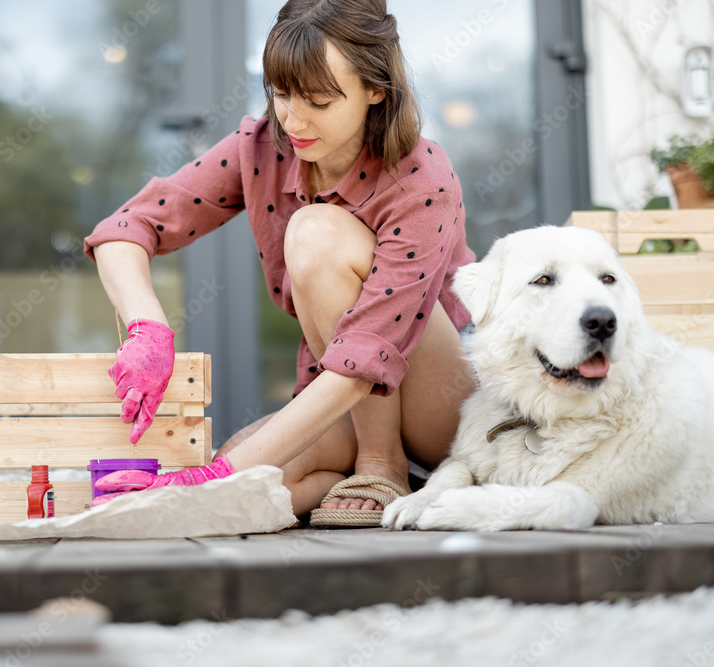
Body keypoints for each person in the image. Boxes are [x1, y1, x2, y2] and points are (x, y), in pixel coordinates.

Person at [85, 0, 477, 526]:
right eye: (282, 93)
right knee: (250, 474)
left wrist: (211, 480)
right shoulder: (263, 147)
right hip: (340, 390)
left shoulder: (421, 176)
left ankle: (383, 467)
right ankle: (362, 485)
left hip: (441, 401)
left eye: (318, 100)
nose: (293, 120)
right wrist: (148, 326)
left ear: (375, 89)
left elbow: (366, 355)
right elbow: (126, 227)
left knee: (316, 232)